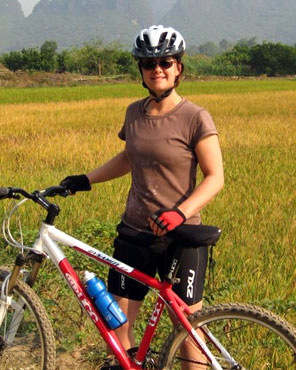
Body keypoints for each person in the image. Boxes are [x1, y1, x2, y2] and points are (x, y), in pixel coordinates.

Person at [60, 25, 224, 367]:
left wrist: (180, 213)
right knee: (118, 328)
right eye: (149, 64)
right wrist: (86, 180)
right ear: (141, 71)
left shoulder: (195, 117)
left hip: (181, 238)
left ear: (179, 68)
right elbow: (127, 157)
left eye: (165, 62)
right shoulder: (134, 113)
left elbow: (214, 177)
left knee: (188, 330)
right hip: (135, 234)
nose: (157, 69)